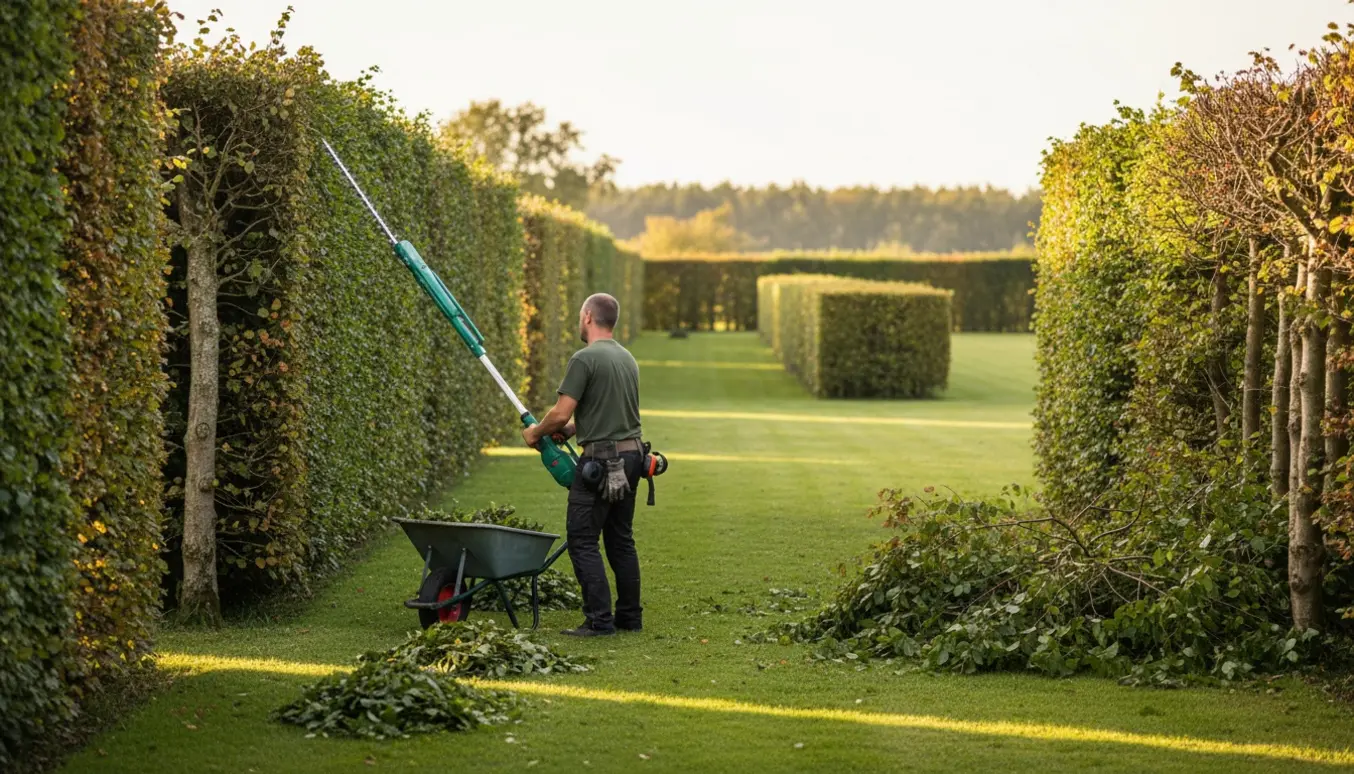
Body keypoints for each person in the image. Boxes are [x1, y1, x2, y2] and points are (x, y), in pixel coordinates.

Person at [522, 293, 643, 636]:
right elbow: (615, 413)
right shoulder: (627, 358)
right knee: (621, 539)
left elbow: (560, 412)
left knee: (582, 539)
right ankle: (630, 618)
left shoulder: (584, 359)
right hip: (633, 456)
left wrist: (536, 433)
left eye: (580, 316)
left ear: (588, 317)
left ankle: (599, 621)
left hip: (601, 463)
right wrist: (577, 430)